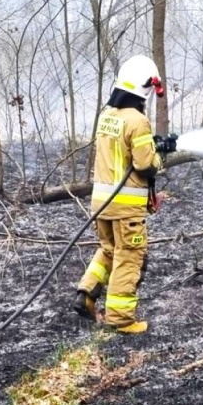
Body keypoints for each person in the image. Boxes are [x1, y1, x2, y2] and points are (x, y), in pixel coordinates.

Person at [75, 55, 170, 334]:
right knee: (129, 256)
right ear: (144, 87)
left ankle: (87, 294)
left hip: (101, 204)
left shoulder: (108, 116)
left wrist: (151, 146)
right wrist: (160, 156)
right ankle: (121, 319)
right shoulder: (137, 121)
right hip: (126, 208)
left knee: (108, 250)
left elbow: (123, 155)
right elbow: (144, 165)